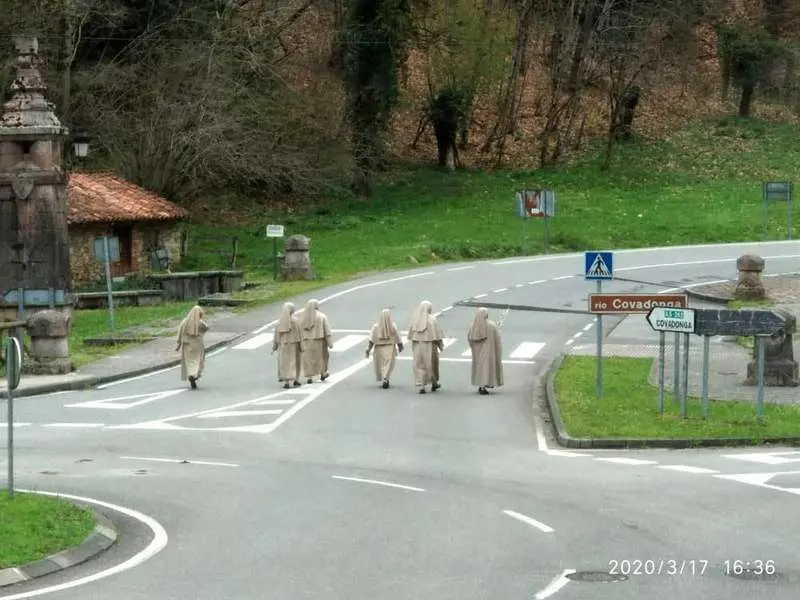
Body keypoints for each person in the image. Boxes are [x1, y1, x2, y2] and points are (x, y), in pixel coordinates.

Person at [408, 300, 444, 394]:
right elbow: (437, 334)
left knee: (419, 365)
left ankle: (421, 385)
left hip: (418, 345)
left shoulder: (415, 319)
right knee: (431, 364)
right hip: (430, 345)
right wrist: (440, 345)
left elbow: (411, 334)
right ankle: (433, 382)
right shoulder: (432, 319)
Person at [467, 307, 504, 395]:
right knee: (488, 368)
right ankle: (487, 383)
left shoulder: (473, 326)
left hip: (477, 352)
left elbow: (470, 338)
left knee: (480, 368)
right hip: (490, 351)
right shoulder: (491, 325)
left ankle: (481, 386)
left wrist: (474, 347)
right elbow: (497, 338)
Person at [365, 308, 404, 389]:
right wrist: (400, 346)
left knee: (381, 364)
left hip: (378, 349)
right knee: (388, 364)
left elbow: (371, 339)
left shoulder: (376, 327)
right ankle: (386, 378)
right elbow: (397, 337)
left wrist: (368, 349)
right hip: (390, 348)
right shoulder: (393, 326)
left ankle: (383, 377)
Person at [300, 299, 333, 383]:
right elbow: (327, 331)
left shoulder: (302, 318)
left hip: (306, 341)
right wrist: (330, 343)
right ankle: (323, 373)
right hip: (320, 340)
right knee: (321, 358)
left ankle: (309, 376)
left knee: (308, 359)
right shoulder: (322, 316)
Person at [176, 305, 208, 389]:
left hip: (187, 345)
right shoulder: (200, 323)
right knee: (198, 360)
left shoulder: (184, 321)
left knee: (189, 362)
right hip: (197, 345)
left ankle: (190, 374)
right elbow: (206, 328)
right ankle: (195, 375)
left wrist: (179, 343)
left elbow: (180, 332)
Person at [272, 302, 303, 388]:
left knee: (284, 363)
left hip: (283, 345)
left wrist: (274, 346)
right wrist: (302, 345)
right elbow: (300, 334)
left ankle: (286, 382)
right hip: (294, 344)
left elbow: (276, 336)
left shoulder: (279, 322)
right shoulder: (296, 321)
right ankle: (296, 379)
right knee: (296, 362)